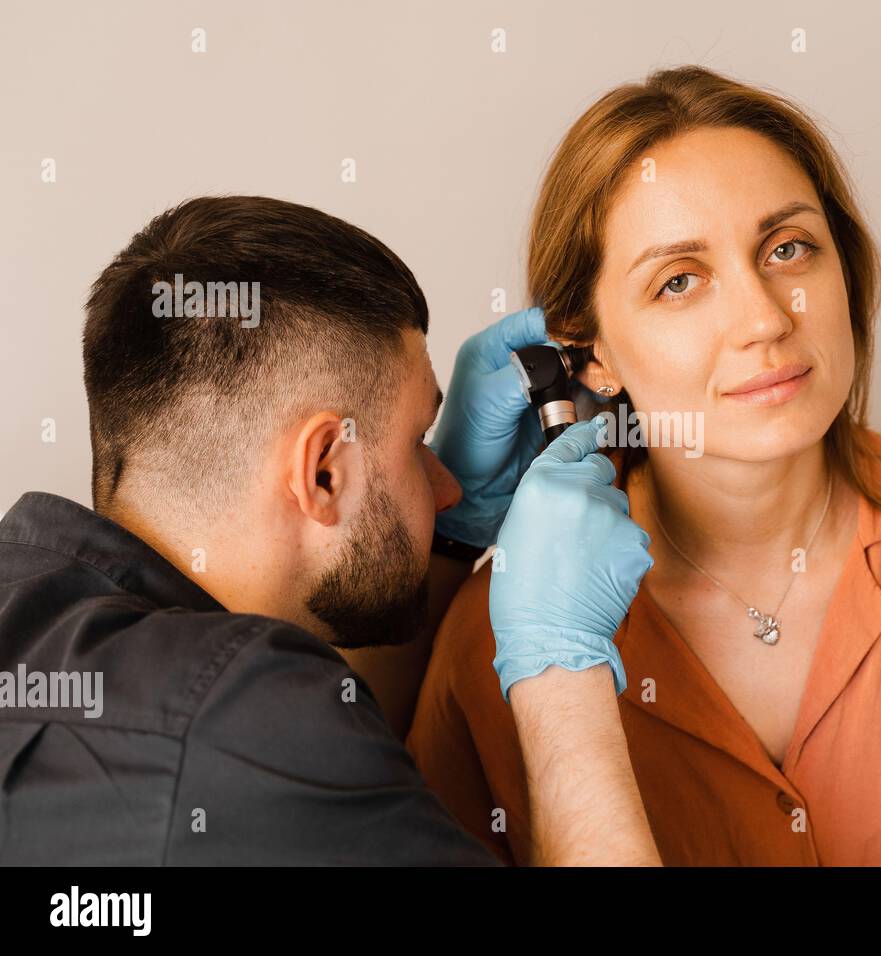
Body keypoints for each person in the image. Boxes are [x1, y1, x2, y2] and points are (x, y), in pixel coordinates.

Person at [406, 66, 881, 865]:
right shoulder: (518, 628)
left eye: (789, 248)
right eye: (679, 282)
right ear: (590, 356)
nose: (764, 318)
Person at [0, 196, 657, 866]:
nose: (447, 485)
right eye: (417, 441)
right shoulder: (242, 726)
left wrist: (451, 539)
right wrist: (559, 663)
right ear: (321, 473)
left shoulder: (30, 601)